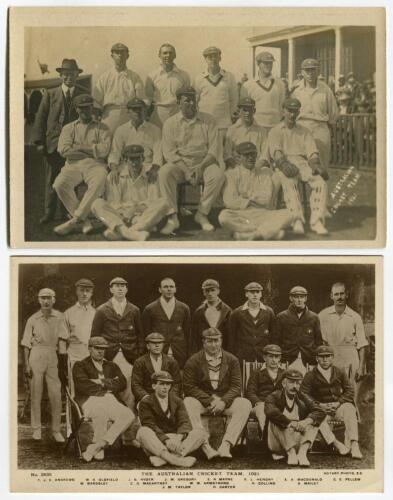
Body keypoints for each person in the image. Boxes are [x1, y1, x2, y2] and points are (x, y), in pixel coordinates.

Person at [158, 86, 225, 234]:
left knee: (218, 174)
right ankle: (172, 217)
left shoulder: (209, 120)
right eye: (187, 100)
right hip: (181, 165)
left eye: (194, 99)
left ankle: (202, 214)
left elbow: (214, 150)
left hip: (204, 162)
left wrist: (200, 168)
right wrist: (187, 171)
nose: (192, 103)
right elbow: (170, 153)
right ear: (178, 102)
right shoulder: (170, 123)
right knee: (164, 173)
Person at [183, 328, 252, 459]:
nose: (213, 345)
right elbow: (189, 387)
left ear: (221, 341)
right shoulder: (193, 360)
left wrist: (223, 401)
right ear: (203, 342)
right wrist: (209, 400)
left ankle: (225, 445)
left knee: (245, 403)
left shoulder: (232, 360)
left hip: (225, 403)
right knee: (188, 402)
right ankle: (205, 446)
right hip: (204, 402)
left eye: (216, 341)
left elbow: (236, 387)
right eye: (209, 341)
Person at [31, 58, 85, 224]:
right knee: (51, 179)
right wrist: (39, 142)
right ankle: (49, 213)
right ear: (61, 75)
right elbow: (41, 118)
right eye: (66, 74)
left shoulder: (83, 94)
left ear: (77, 75)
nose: (69, 77)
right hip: (53, 145)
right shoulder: (50, 93)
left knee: (71, 179)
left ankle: (68, 212)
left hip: (73, 145)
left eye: (72, 74)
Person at [267, 97, 329, 235]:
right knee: (289, 181)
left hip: (302, 163)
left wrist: (315, 164)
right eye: (289, 111)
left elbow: (312, 151)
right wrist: (283, 164)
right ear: (283, 111)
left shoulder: (304, 131)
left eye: (295, 111)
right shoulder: (275, 131)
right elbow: (276, 152)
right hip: (283, 164)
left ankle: (316, 221)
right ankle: (297, 220)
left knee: (320, 181)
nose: (292, 114)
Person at [53, 94, 111, 236]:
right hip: (73, 165)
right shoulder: (68, 128)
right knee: (59, 184)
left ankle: (75, 220)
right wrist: (92, 149)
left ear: (92, 108)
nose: (86, 110)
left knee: (100, 179)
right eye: (82, 108)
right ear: (77, 109)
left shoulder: (102, 127)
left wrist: (79, 148)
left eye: (88, 107)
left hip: (95, 164)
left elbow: (104, 151)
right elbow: (63, 150)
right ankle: (84, 220)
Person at [73, 336, 135, 462]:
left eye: (103, 349)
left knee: (129, 415)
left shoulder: (111, 365)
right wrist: (110, 384)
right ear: (89, 349)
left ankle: (97, 446)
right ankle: (98, 446)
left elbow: (122, 383)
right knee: (100, 412)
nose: (100, 351)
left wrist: (100, 382)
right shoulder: (80, 365)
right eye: (97, 348)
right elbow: (83, 385)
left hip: (110, 399)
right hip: (89, 399)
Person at [91, 145, 169, 241]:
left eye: (137, 159)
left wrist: (136, 211)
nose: (134, 163)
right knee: (97, 203)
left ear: (143, 159)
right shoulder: (115, 176)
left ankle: (122, 232)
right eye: (131, 159)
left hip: (142, 216)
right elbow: (113, 203)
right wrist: (125, 215)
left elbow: (153, 201)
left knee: (164, 202)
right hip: (121, 217)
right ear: (125, 160)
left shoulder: (151, 175)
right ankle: (134, 233)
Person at [219, 142, 294, 241]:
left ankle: (248, 235)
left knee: (290, 214)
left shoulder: (264, 173)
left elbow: (266, 199)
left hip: (263, 214)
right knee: (223, 216)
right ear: (239, 157)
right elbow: (229, 201)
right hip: (241, 214)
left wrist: (245, 198)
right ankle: (264, 232)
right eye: (247, 155)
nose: (251, 158)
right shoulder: (231, 174)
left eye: (253, 154)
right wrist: (251, 201)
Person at [91, 277, 144, 409]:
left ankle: (129, 419)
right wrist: (99, 356)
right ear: (111, 289)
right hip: (108, 356)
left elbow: (140, 336)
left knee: (129, 388)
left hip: (129, 356)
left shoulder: (134, 310)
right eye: (116, 286)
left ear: (126, 289)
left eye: (123, 286)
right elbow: (95, 336)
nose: (120, 288)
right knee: (109, 386)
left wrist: (138, 354)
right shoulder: (102, 310)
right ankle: (112, 420)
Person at [300, 345, 363, 459]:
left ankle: (354, 444)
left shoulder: (339, 372)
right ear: (317, 358)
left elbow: (350, 390)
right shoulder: (310, 375)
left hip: (337, 408)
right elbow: (303, 394)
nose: (325, 360)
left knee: (349, 407)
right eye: (322, 357)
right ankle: (336, 444)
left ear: (332, 357)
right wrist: (319, 405)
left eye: (328, 356)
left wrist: (338, 402)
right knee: (316, 416)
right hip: (320, 410)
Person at [20, 288, 64, 442]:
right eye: (43, 298)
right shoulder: (33, 319)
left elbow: (64, 339)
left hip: (53, 354)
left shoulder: (60, 317)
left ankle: (56, 430)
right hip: (36, 355)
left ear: (54, 299)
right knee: (36, 393)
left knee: (55, 394)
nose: (46, 301)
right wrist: (26, 365)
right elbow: (26, 344)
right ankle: (36, 429)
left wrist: (63, 360)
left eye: (49, 298)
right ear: (39, 300)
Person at [137, 371, 207, 467]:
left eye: (168, 384)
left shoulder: (177, 401)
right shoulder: (145, 402)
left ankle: (163, 459)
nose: (165, 387)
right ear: (154, 386)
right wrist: (166, 440)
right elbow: (150, 424)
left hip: (176, 441)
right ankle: (176, 460)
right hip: (157, 442)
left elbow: (184, 422)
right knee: (143, 431)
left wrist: (178, 439)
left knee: (201, 432)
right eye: (161, 384)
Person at [264, 369, 325, 466]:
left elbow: (320, 411)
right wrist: (290, 423)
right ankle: (291, 453)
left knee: (314, 421)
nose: (295, 386)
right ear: (284, 383)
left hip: (297, 440)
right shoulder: (273, 396)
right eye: (291, 382)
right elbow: (270, 412)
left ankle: (302, 453)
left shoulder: (302, 397)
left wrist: (305, 422)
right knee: (275, 420)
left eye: (298, 383)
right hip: (278, 443)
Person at [58, 278, 95, 435]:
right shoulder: (68, 313)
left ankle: (92, 431)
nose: (84, 293)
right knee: (74, 395)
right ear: (77, 291)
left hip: (93, 360)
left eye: (88, 290)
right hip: (74, 358)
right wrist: (63, 364)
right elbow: (62, 341)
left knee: (94, 392)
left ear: (92, 293)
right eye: (82, 290)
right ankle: (72, 431)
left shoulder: (97, 313)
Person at [291, 58, 339, 171]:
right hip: (301, 127)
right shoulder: (296, 90)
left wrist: (328, 125)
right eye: (307, 70)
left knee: (321, 164)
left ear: (318, 71)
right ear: (302, 72)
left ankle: (322, 188)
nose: (310, 73)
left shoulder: (325, 89)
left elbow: (333, 112)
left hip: (320, 128)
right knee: (301, 163)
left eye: (313, 70)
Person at [318, 282, 368, 384]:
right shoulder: (322, 316)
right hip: (331, 360)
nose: (339, 297)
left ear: (347, 295)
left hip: (351, 361)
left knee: (352, 395)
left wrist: (361, 367)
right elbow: (318, 342)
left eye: (342, 293)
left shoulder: (355, 317)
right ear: (331, 296)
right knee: (331, 395)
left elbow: (362, 345)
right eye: (336, 294)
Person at [93, 43, 145, 133]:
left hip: (129, 115)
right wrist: (97, 116)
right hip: (110, 114)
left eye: (123, 52)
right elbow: (95, 100)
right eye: (117, 53)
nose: (120, 55)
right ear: (112, 56)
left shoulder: (134, 77)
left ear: (127, 56)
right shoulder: (104, 77)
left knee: (129, 142)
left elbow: (141, 98)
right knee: (108, 141)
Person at [142, 278, 191, 368]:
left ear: (175, 289)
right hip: (158, 352)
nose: (169, 289)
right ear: (160, 289)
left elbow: (187, 332)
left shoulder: (184, 308)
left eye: (171, 287)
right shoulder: (150, 309)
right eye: (165, 287)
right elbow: (146, 333)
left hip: (179, 351)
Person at [194, 46, 238, 144]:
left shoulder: (229, 77)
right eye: (210, 57)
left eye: (215, 56)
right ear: (205, 59)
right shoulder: (199, 78)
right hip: (204, 124)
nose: (213, 59)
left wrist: (229, 117)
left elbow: (234, 100)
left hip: (224, 124)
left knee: (223, 153)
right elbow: (195, 102)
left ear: (220, 58)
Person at [107, 97, 163, 174]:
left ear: (145, 111)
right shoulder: (121, 130)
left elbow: (158, 155)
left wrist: (153, 170)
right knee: (111, 178)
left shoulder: (155, 130)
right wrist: (114, 169)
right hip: (127, 166)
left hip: (147, 166)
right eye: (134, 109)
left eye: (140, 109)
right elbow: (115, 153)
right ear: (128, 112)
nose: (137, 112)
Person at [275, 286, 323, 374]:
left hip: (308, 361)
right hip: (287, 360)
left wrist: (316, 359)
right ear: (291, 298)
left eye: (302, 297)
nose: (299, 300)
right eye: (296, 297)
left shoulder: (314, 317)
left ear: (306, 298)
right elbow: (276, 341)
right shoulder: (281, 317)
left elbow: (318, 341)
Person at [228, 282, 277, 364]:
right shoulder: (236, 313)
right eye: (252, 292)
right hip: (242, 357)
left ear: (261, 294)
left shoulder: (269, 312)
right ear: (246, 294)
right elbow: (231, 338)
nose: (255, 295)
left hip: (263, 356)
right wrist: (233, 357)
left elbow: (274, 336)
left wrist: (270, 354)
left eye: (257, 292)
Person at [145, 43, 190, 129]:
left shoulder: (184, 75)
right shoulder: (151, 76)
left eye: (171, 53)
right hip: (158, 114)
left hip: (177, 112)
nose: (168, 55)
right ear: (159, 55)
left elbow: (187, 98)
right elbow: (148, 99)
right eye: (165, 53)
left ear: (175, 55)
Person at [245, 344, 285, 436]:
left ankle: (285, 438)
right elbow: (250, 392)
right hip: (261, 404)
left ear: (280, 358)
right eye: (271, 356)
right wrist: (258, 402)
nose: (274, 360)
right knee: (263, 411)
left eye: (276, 357)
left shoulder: (284, 373)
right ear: (264, 357)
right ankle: (267, 438)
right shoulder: (257, 373)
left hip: (278, 405)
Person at [131, 332, 181, 406]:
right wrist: (146, 397)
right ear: (148, 346)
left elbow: (177, 383)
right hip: (147, 398)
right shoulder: (140, 362)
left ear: (163, 345)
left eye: (160, 343)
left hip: (167, 398)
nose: (157, 345)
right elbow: (136, 385)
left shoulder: (171, 362)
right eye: (154, 343)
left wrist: (169, 398)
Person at [240, 51, 287, 131]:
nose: (268, 66)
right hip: (255, 127)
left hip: (275, 126)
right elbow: (244, 109)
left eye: (270, 63)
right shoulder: (248, 85)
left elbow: (281, 106)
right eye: (265, 63)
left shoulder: (280, 83)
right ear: (258, 64)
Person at [223, 97, 269, 169]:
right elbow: (227, 155)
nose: (247, 113)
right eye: (244, 110)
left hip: (256, 167)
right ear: (239, 111)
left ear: (254, 111)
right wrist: (238, 167)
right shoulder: (232, 130)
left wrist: (255, 168)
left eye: (250, 110)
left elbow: (265, 156)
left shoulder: (261, 131)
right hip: (236, 167)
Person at [191, 278, 232, 353]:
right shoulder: (199, 312)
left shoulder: (227, 311)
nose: (210, 293)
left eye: (212, 290)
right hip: (204, 351)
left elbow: (230, 336)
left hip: (223, 350)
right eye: (207, 291)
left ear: (218, 291)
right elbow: (194, 336)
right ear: (203, 292)